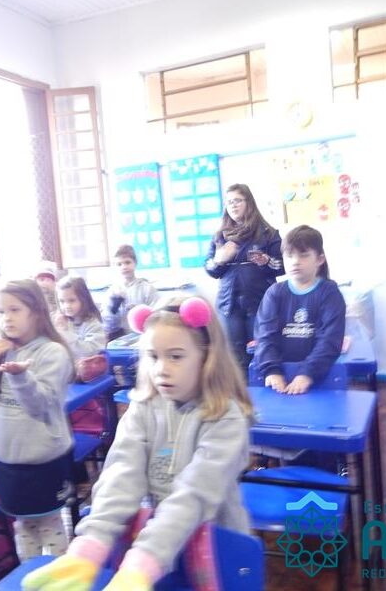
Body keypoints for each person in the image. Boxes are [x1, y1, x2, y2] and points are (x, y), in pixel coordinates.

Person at [22, 296, 253, 591]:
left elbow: (195, 494)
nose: (162, 369)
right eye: (153, 357)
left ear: (206, 356)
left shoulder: (225, 418)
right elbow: (121, 475)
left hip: (215, 550)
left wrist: (145, 560)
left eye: (176, 356)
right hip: (154, 555)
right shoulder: (143, 408)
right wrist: (90, 546)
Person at [0, 279, 75, 562]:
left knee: (50, 525)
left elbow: (40, 406)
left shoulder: (53, 352)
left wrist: (20, 376)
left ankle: (58, 573)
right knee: (23, 526)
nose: (7, 318)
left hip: (42, 459)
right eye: (1, 311)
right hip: (4, 459)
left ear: (36, 311)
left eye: (15, 310)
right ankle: (28, 573)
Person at [254, 224, 346, 394]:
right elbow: (265, 336)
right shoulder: (274, 293)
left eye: (304, 255)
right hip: (278, 378)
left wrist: (306, 374)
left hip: (319, 377)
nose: (295, 261)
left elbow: (330, 340)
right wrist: (272, 370)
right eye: (289, 255)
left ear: (319, 259)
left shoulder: (329, 293)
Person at [205, 183, 284, 370]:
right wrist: (219, 260)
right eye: (229, 202)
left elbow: (282, 266)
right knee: (234, 357)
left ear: (249, 202)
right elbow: (209, 269)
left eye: (238, 201)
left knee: (262, 351)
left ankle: (262, 386)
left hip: (260, 303)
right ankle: (241, 388)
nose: (233, 205)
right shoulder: (219, 236)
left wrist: (266, 261)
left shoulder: (268, 233)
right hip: (229, 305)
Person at [102, 245, 157, 342]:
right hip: (121, 340)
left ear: (135, 263)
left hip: (144, 337)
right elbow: (108, 326)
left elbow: (156, 317)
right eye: (119, 264)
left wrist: (140, 312)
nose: (124, 267)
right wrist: (114, 308)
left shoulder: (147, 288)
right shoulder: (112, 291)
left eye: (127, 262)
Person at [54, 276, 106, 359]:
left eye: (71, 300)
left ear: (84, 299)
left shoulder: (93, 324)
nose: (66, 306)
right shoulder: (60, 321)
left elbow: (90, 352)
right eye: (62, 301)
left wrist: (65, 332)